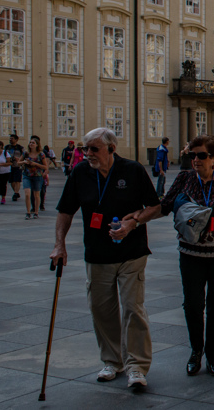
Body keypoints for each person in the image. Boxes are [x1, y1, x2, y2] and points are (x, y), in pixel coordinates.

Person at [126, 135, 214, 378]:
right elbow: (164, 207)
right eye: (192, 155)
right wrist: (135, 219)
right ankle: (196, 351)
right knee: (193, 304)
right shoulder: (184, 179)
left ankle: (213, 355)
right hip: (191, 253)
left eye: (202, 155)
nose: (196, 160)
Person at [50, 127, 161, 389]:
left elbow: (155, 207)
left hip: (131, 252)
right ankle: (112, 361)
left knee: (133, 309)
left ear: (111, 148)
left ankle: (136, 366)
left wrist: (133, 222)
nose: (87, 153)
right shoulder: (81, 172)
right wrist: (59, 245)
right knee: (101, 310)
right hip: (97, 254)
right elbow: (66, 210)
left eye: (93, 149)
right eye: (84, 148)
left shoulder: (132, 170)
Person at [20, 138, 47, 219]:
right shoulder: (26, 153)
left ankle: (36, 212)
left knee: (37, 195)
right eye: (30, 143)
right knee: (27, 194)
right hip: (27, 175)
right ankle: (28, 212)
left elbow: (45, 166)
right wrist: (24, 162)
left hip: (37, 176)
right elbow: (18, 162)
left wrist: (35, 164)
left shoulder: (41, 154)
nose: (31, 144)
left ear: (37, 145)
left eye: (33, 143)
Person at [5, 134, 25, 203]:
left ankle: (16, 193)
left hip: (17, 165)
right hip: (9, 166)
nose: (10, 140)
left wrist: (19, 160)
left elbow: (24, 156)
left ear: (16, 140)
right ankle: (16, 192)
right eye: (10, 138)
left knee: (17, 180)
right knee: (11, 181)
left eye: (12, 138)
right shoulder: (7, 147)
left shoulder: (20, 148)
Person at [0, 140, 12, 205]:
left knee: (3, 185)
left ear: (1, 146)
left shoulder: (5, 153)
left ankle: (3, 198)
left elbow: (9, 163)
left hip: (5, 172)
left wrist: (0, 164)